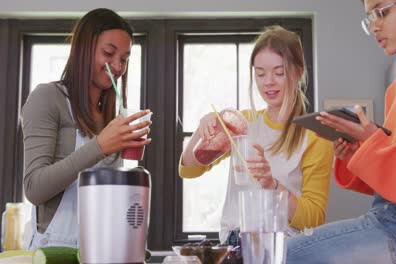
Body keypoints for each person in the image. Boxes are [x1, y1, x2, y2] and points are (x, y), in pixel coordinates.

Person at [287, 0, 396, 263]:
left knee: (289, 254)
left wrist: (373, 143)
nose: (375, 26)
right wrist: (357, 152)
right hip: (388, 217)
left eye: (382, 12)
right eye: (370, 17)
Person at [179, 26, 334, 248]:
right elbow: (190, 169)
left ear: (298, 73)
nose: (267, 82)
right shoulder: (242, 124)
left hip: (283, 246)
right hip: (234, 244)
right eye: (260, 73)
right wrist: (202, 130)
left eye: (279, 73)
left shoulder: (315, 136)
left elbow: (314, 217)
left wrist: (271, 184)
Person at [22, 8, 152, 249]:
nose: (117, 66)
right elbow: (34, 188)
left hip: (102, 250)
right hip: (55, 252)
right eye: (108, 53)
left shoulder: (109, 116)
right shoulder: (48, 98)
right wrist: (100, 146)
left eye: (124, 59)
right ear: (83, 49)